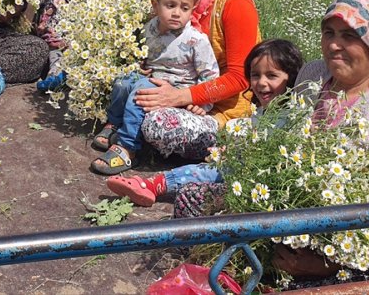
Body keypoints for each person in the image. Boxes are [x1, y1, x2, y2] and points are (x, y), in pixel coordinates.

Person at [174, 0, 369, 283]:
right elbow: (285, 143)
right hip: (294, 214)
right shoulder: (314, 75)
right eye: (329, 32)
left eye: (349, 36)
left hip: (361, 250)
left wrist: (327, 262)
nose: (334, 45)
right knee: (193, 200)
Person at [105, 39, 303, 204]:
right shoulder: (262, 112)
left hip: (253, 179)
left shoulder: (292, 116)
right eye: (255, 75)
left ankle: (153, 186)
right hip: (240, 167)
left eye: (272, 76)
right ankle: (151, 185)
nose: (261, 83)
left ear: (292, 78)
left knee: (205, 173)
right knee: (206, 170)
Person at [136, 0, 261, 160]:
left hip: (225, 109)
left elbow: (240, 78)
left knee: (158, 125)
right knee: (127, 89)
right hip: (183, 91)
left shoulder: (235, 2)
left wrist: (183, 97)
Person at [89, 0, 220, 175]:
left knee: (140, 93)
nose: (177, 13)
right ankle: (113, 124)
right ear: (155, 5)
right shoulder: (149, 29)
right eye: (170, 6)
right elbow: (140, 54)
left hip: (177, 92)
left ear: (192, 10)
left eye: (184, 8)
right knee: (123, 82)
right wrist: (138, 65)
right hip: (150, 78)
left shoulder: (196, 40)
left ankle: (128, 147)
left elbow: (210, 76)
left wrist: (202, 103)